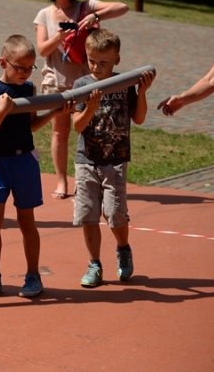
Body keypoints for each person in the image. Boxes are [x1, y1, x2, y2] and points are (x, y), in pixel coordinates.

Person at [0, 35, 73, 299]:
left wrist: (54, 112)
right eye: (20, 67)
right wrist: (1, 111)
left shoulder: (30, 89)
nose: (25, 73)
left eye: (30, 67)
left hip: (24, 162)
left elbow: (30, 125)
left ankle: (33, 275)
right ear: (3, 63)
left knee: (26, 220)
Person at [34, 0, 128, 200]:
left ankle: (85, 180)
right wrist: (60, 36)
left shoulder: (85, 6)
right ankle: (61, 181)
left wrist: (95, 16)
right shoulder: (44, 14)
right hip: (56, 80)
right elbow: (42, 49)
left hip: (86, 82)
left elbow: (123, 7)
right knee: (59, 132)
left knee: (88, 130)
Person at [72, 28, 155, 288]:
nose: (96, 67)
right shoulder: (81, 85)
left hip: (115, 160)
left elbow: (138, 118)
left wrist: (142, 92)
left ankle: (123, 247)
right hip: (86, 160)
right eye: (91, 60)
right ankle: (94, 264)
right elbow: (77, 125)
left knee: (114, 213)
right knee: (88, 214)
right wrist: (91, 107)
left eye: (103, 62)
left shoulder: (125, 83)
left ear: (116, 60)